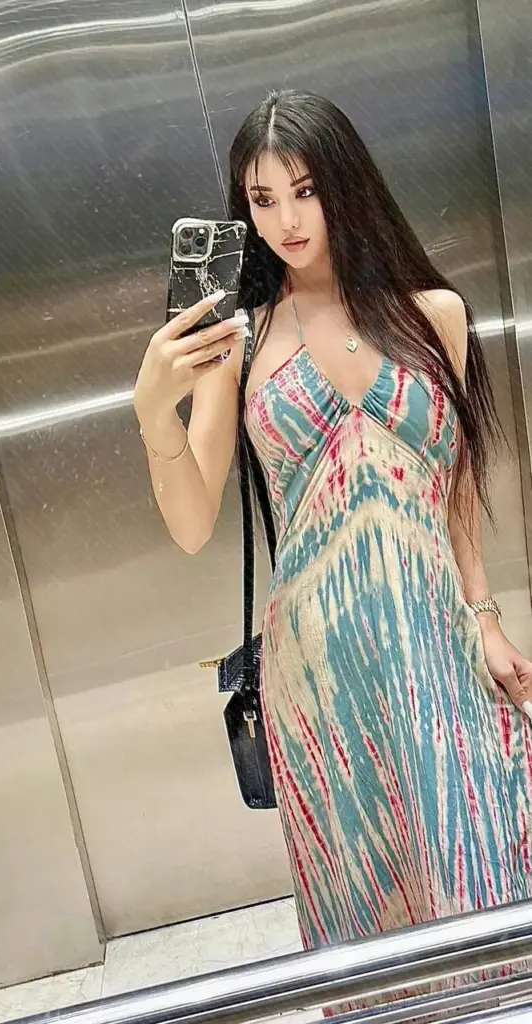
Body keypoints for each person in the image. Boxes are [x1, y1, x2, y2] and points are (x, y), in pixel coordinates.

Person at [135, 90, 532, 982]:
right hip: (318, 670)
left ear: (345, 184)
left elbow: (454, 487)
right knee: (370, 899)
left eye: (305, 190)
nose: (286, 221)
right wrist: (155, 413)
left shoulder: (434, 315)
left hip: (435, 646)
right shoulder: (239, 342)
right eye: (263, 199)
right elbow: (193, 525)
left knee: (480, 857)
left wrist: (485, 616)